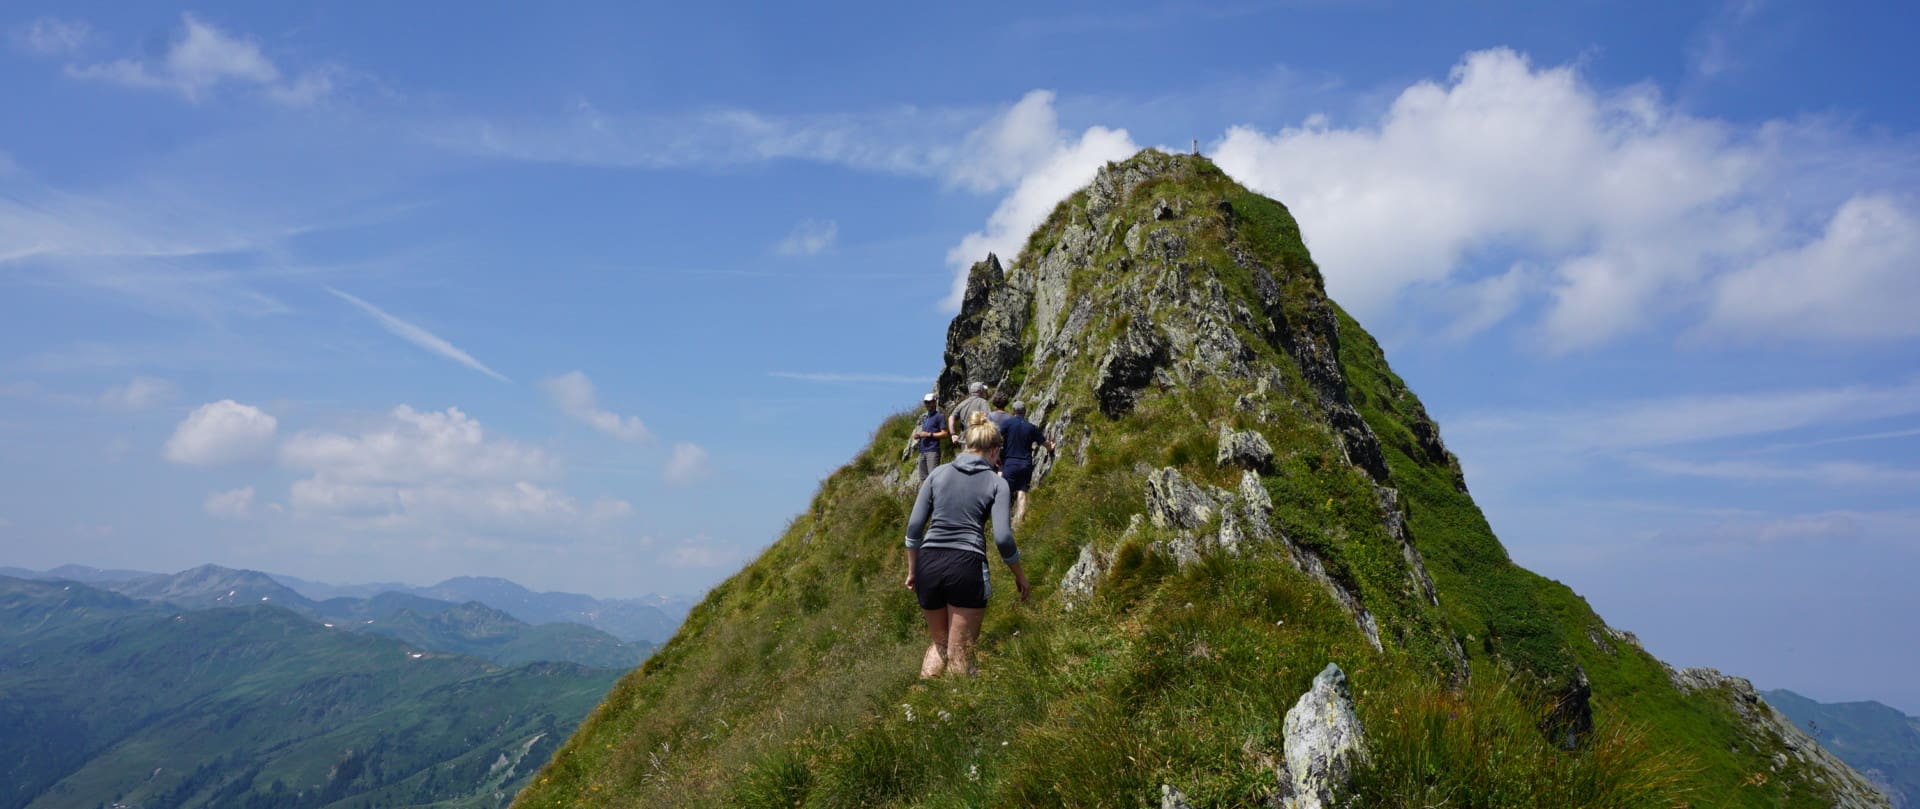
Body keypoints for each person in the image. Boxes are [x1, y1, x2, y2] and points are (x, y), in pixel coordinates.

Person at [904, 411, 1030, 678]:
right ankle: (957, 715)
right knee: (960, 652)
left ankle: (921, 712)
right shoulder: (998, 484)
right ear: (995, 450)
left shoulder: (937, 474)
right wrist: (1019, 576)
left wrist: (913, 571)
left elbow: (914, 529)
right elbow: (1003, 538)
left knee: (940, 644)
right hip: (966, 565)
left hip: (929, 562)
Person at [998, 400, 1055, 527]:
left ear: (1013, 411)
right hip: (1025, 465)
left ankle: (1003, 525)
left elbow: (995, 436)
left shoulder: (1007, 423)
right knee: (1022, 493)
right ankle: (1019, 525)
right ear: (1025, 412)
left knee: (1006, 493)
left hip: (1010, 463)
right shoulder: (1031, 427)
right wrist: (1051, 447)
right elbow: (1045, 444)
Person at [910, 393, 947, 483]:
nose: (927, 404)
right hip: (922, 451)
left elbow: (945, 434)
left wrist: (929, 434)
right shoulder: (925, 417)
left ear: (935, 402)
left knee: (933, 477)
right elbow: (926, 433)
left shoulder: (939, 417)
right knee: (923, 479)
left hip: (933, 451)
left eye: (929, 402)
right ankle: (928, 497)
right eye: (926, 402)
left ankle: (936, 496)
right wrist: (919, 436)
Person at [948, 382, 991, 447]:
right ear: (980, 391)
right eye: (983, 390)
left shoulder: (962, 404)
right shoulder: (983, 402)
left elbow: (951, 417)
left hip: (964, 441)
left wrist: (953, 434)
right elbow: (988, 418)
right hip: (978, 441)